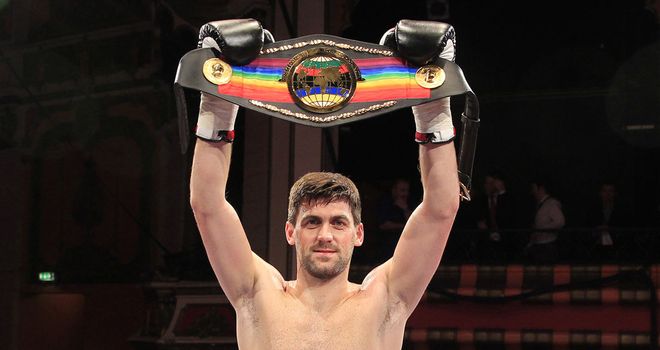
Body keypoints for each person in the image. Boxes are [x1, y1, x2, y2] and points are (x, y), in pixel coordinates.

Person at [188, 30, 460, 349]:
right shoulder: (257, 293)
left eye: (338, 222)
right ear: (290, 231)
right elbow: (207, 205)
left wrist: (434, 102)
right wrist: (217, 96)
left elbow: (441, 209)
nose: (325, 235)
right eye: (312, 221)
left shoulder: (384, 298)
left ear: (358, 233)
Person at [475, 172, 516, 262]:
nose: (488, 186)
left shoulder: (505, 200)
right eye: (487, 183)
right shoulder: (482, 200)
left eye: (491, 183)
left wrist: (501, 189)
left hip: (505, 241)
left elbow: (508, 215)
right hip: (486, 242)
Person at [525, 178, 565, 264]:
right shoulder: (540, 205)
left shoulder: (551, 203)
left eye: (534, 188)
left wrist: (541, 229)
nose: (532, 192)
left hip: (547, 246)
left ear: (541, 189)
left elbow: (560, 222)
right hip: (539, 245)